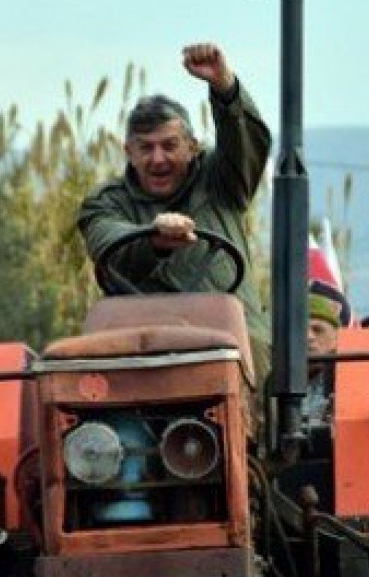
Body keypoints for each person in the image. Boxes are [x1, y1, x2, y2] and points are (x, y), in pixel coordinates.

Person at [78, 42, 272, 378]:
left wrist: (225, 88)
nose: (157, 159)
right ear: (129, 152)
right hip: (143, 351)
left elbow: (245, 146)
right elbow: (107, 239)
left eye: (169, 146)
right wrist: (154, 238)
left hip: (231, 345)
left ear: (192, 146)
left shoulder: (221, 181)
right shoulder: (106, 202)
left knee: (255, 369)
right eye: (145, 148)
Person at [304, 280, 351, 425]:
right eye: (301, 329)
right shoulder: (274, 378)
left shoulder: (348, 382)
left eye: (317, 330)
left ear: (337, 337)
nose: (308, 336)